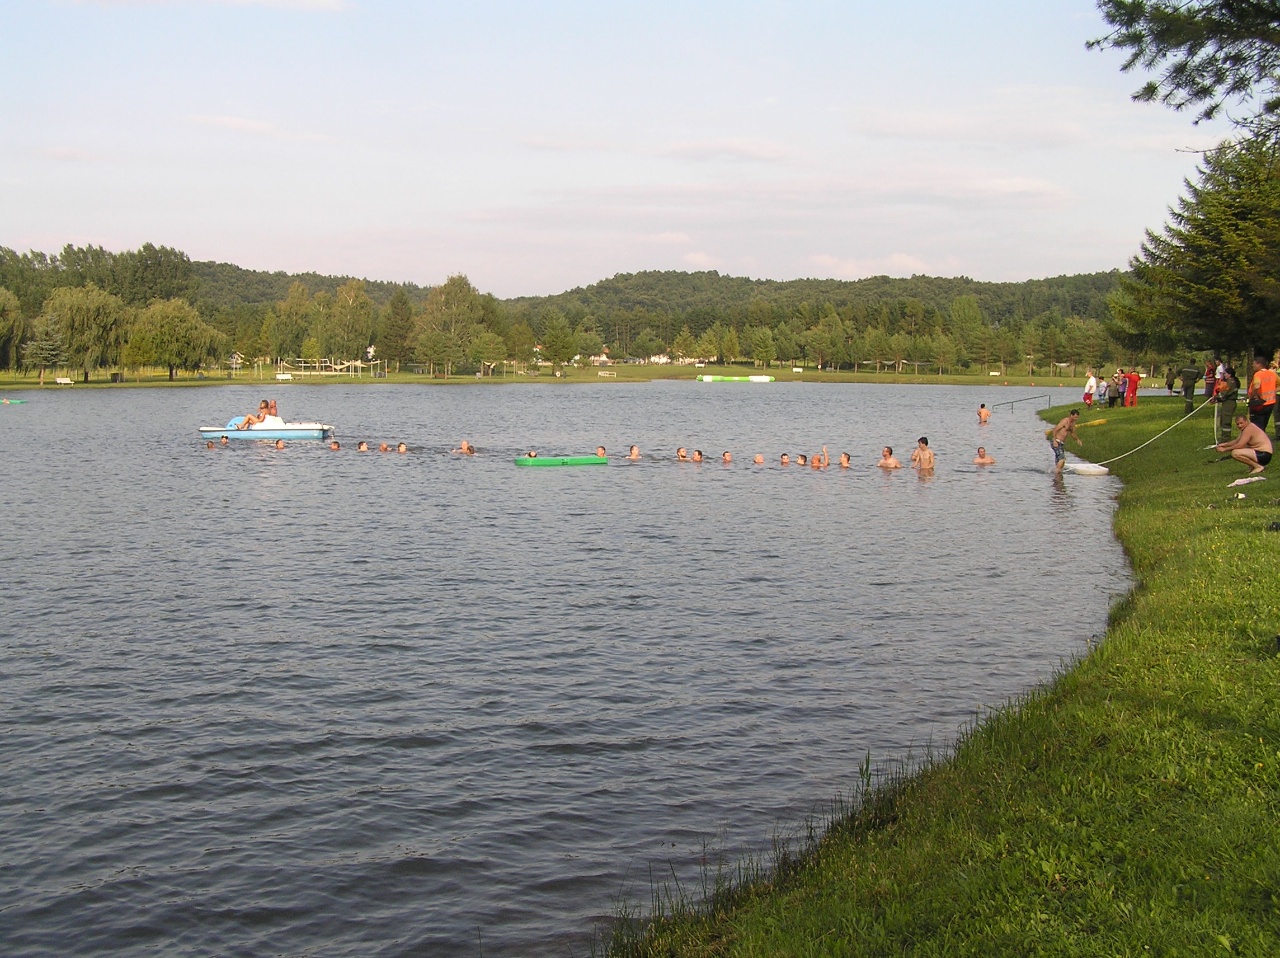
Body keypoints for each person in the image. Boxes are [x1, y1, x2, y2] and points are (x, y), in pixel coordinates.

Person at [1247, 355, 1277, 432]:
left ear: (1259, 364)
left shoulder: (1258, 374)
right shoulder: (1272, 374)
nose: (1253, 365)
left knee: (1257, 425)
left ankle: (1258, 441)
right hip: (1270, 403)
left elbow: (1257, 386)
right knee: (1264, 424)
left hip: (1260, 403)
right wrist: (1274, 390)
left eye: (1254, 364)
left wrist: (1253, 395)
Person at [1211, 366, 1240, 444]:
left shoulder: (1231, 382)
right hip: (1226, 402)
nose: (1224, 375)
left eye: (1225, 373)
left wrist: (1216, 397)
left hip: (1229, 403)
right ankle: (1224, 437)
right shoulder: (1229, 381)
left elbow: (1226, 392)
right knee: (1223, 420)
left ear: (1229, 374)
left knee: (1226, 421)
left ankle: (1226, 439)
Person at [1050, 409, 1083, 474]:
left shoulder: (1073, 424)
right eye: (1075, 417)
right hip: (1056, 441)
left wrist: (1077, 439)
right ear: (1071, 415)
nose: (1076, 419)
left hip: (1061, 444)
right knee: (1062, 459)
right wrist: (1054, 440)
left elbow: (1072, 433)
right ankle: (1056, 474)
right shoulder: (1065, 421)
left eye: (1077, 417)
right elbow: (1055, 430)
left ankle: (1057, 476)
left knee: (1062, 461)